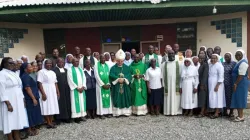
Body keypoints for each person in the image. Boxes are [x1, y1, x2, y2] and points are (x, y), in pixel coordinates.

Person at [0, 57, 29, 140]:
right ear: (4, 64)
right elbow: (1, 90)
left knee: (17, 118)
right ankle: (10, 138)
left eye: (13, 63)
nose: (12, 64)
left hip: (18, 100)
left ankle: (17, 136)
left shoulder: (13, 73)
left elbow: (19, 87)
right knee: (9, 119)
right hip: (9, 100)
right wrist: (8, 104)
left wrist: (23, 99)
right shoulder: (2, 74)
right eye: (10, 63)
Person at [20, 63, 43, 136]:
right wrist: (33, 98)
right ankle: (29, 130)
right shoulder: (25, 77)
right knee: (29, 114)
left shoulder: (28, 75)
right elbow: (27, 88)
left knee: (33, 113)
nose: (32, 68)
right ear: (25, 69)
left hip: (33, 97)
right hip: (29, 98)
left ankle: (32, 128)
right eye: (30, 67)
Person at [37, 59, 60, 128]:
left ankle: (51, 121)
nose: (49, 65)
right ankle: (48, 122)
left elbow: (55, 82)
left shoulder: (53, 72)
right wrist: (43, 94)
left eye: (50, 63)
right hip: (45, 90)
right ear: (44, 64)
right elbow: (39, 83)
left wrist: (58, 91)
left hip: (52, 91)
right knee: (46, 106)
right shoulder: (41, 72)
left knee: (52, 105)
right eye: (47, 63)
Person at [110, 49, 132, 117]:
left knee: (125, 98)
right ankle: (117, 113)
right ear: (116, 60)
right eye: (118, 61)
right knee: (117, 97)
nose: (120, 62)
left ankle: (126, 112)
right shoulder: (113, 68)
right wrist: (118, 79)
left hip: (125, 86)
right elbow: (111, 75)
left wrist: (124, 79)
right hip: (116, 86)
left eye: (121, 61)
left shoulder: (127, 67)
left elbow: (129, 75)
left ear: (123, 60)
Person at [162, 50, 182, 115]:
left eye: (172, 53)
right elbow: (162, 75)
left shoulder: (179, 63)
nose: (171, 55)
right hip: (167, 85)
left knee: (176, 98)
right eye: (170, 53)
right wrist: (163, 85)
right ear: (167, 55)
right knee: (167, 98)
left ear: (174, 54)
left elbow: (181, 75)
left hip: (176, 85)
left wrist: (180, 85)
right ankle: (167, 111)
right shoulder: (164, 64)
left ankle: (176, 111)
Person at [231, 50, 249, 122]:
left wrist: (236, 84)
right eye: (236, 55)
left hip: (241, 83)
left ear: (243, 55)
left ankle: (241, 116)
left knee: (241, 99)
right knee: (238, 98)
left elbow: (241, 75)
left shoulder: (243, 63)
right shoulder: (239, 62)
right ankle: (239, 115)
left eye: (239, 55)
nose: (237, 56)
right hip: (238, 83)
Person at [67, 58, 87, 123]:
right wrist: (77, 88)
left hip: (82, 89)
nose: (77, 62)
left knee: (82, 102)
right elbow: (70, 80)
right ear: (72, 62)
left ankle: (81, 115)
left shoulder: (81, 69)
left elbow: (84, 78)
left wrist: (83, 86)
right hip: (75, 90)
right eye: (75, 61)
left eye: (77, 61)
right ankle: (76, 118)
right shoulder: (70, 70)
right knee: (76, 103)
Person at [53, 58, 71, 124]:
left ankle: (67, 117)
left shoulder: (66, 70)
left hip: (67, 89)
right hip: (59, 89)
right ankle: (59, 118)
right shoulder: (54, 70)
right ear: (57, 63)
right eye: (60, 62)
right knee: (59, 103)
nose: (61, 63)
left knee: (67, 103)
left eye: (63, 62)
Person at [94, 55, 113, 119]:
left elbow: (109, 75)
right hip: (100, 86)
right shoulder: (96, 65)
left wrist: (108, 84)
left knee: (108, 98)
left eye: (104, 58)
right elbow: (96, 76)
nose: (103, 59)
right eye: (102, 58)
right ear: (99, 59)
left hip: (107, 85)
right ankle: (101, 113)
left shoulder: (107, 65)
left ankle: (108, 112)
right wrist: (102, 84)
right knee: (100, 99)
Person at [208, 54, 225, 119]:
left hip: (217, 84)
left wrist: (217, 85)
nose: (213, 59)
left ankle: (217, 113)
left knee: (217, 98)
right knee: (213, 97)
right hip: (211, 83)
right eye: (212, 58)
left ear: (217, 59)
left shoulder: (219, 66)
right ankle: (215, 111)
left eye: (214, 58)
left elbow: (221, 77)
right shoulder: (210, 65)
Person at [222, 52, 236, 117]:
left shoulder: (234, 64)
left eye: (228, 57)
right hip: (223, 83)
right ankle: (224, 111)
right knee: (224, 97)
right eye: (225, 57)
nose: (226, 58)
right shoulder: (222, 64)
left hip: (231, 83)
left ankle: (231, 112)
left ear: (231, 57)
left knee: (230, 97)